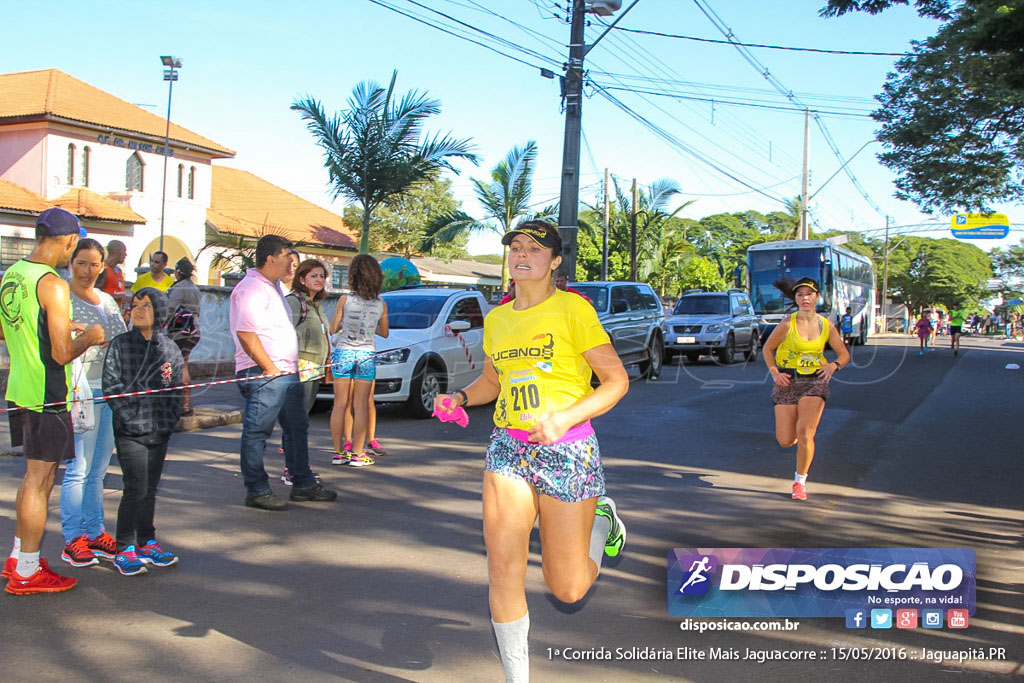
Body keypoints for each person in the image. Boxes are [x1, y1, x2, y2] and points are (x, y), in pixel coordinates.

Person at [434, 220, 629, 683]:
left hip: (568, 450)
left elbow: (616, 381)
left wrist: (564, 417)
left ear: (555, 261)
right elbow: (492, 381)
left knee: (568, 588)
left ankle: (602, 522)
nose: (522, 255)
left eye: (535, 249)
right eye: (515, 247)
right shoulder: (498, 318)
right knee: (503, 569)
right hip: (509, 449)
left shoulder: (573, 310)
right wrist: (459, 397)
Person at [0, 207, 104, 595]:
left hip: (21, 387)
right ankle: (27, 570)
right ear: (70, 241)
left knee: (33, 479)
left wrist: (55, 326)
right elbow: (61, 353)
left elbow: (6, 329)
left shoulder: (12, 274)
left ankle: (18, 557)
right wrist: (88, 337)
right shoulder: (52, 282)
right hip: (47, 392)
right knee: (40, 480)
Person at [230, 235, 337, 510]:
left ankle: (303, 482)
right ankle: (256, 489)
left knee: (297, 427)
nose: (291, 262)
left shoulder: (273, 287)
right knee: (257, 431)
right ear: (270, 259)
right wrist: (269, 367)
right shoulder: (252, 288)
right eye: (286, 256)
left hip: (286, 372)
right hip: (265, 371)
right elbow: (245, 332)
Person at [102, 289, 183, 576]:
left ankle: (146, 541)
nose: (138, 310)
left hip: (159, 431)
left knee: (150, 489)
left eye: (146, 305)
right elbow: (111, 387)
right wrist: (130, 420)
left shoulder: (169, 349)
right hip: (130, 432)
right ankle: (123, 548)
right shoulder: (121, 345)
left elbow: (175, 391)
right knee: (134, 488)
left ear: (159, 311)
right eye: (134, 305)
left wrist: (168, 422)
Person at [59, 239, 128, 568]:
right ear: (71, 262)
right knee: (79, 468)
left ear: (104, 266)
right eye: (81, 263)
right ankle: (73, 538)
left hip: (109, 390)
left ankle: (95, 530)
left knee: (99, 469)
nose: (87, 271)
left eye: (94, 264)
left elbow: (122, 339)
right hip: (79, 390)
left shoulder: (107, 301)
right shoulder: (60, 297)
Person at [762, 276, 850, 501]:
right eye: (800, 295)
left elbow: (844, 354)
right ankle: (796, 440)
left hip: (814, 381)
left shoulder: (826, 325)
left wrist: (833, 365)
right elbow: (767, 349)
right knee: (785, 439)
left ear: (817, 297)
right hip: (788, 381)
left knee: (806, 433)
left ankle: (799, 481)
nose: (804, 298)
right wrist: (775, 372)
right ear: (796, 298)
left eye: (809, 294)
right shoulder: (786, 324)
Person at [329, 254, 389, 467]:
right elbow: (384, 332)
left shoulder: (345, 300)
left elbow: (332, 328)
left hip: (343, 353)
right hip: (366, 354)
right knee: (361, 405)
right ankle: (358, 453)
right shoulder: (381, 303)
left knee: (340, 404)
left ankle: (338, 453)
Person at [280, 259, 331, 486]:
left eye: (322, 276)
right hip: (298, 368)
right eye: (314, 276)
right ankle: (293, 470)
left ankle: (298, 468)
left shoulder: (316, 305)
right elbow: (283, 334)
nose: (319, 280)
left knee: (301, 422)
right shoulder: (294, 303)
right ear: (302, 279)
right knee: (294, 423)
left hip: (314, 369)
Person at [165, 258, 202, 416]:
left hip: (179, 331)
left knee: (174, 365)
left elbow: (169, 309)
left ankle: (178, 403)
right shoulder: (194, 288)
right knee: (183, 363)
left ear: (178, 272)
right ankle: (185, 404)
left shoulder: (179, 288)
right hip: (193, 330)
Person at [94, 239, 131, 311]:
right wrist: (117, 297)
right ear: (116, 252)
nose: (125, 255)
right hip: (105, 311)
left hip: (117, 312)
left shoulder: (119, 271)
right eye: (124, 252)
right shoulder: (103, 269)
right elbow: (96, 293)